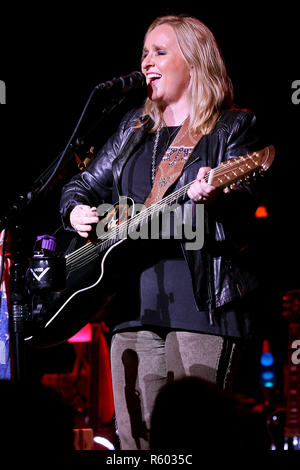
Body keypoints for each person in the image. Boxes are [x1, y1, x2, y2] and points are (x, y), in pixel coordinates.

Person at [59, 14, 273, 450]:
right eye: (144, 53)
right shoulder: (135, 129)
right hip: (131, 307)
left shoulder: (231, 127)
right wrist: (75, 211)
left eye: (160, 52)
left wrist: (217, 195)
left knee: (194, 440)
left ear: (193, 61)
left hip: (202, 310)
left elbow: (247, 197)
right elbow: (80, 184)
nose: (146, 63)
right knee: (135, 441)